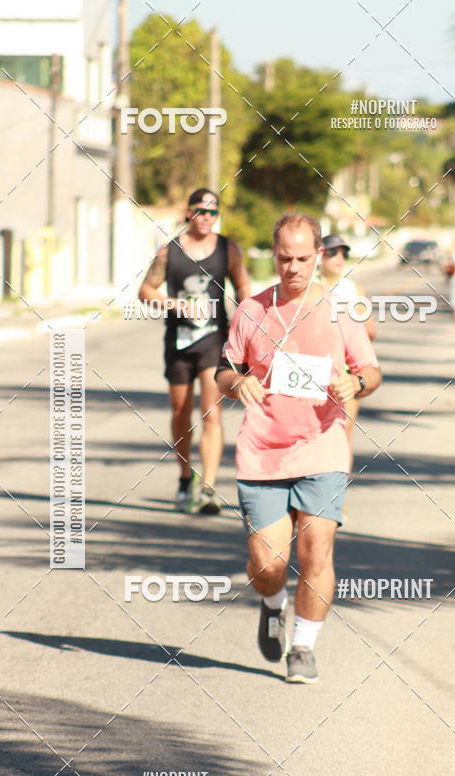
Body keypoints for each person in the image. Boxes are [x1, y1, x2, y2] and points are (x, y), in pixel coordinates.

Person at [215, 213, 381, 684]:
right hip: (262, 451)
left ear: (319, 255)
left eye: (303, 258)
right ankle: (273, 604)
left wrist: (356, 383)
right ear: (274, 255)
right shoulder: (252, 311)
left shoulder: (339, 310)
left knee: (316, 551)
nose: (293, 268)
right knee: (269, 564)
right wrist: (237, 383)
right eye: (285, 258)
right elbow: (224, 370)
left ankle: (304, 647)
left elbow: (370, 369)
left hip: (321, 447)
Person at [138, 188, 250, 512]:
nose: (206, 217)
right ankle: (186, 478)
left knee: (211, 413)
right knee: (181, 412)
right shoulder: (169, 251)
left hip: (213, 340)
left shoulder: (227, 249)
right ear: (189, 212)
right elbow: (145, 291)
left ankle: (208, 488)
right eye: (201, 210)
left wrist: (247, 321)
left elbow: (242, 287)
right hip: (178, 341)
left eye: (213, 212)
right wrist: (174, 304)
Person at [319, 234, 376, 468]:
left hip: (345, 373)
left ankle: (338, 487)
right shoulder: (306, 286)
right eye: (332, 253)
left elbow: (370, 331)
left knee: (343, 431)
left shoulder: (353, 289)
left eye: (344, 253)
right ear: (319, 255)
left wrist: (347, 330)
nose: (339, 258)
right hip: (313, 370)